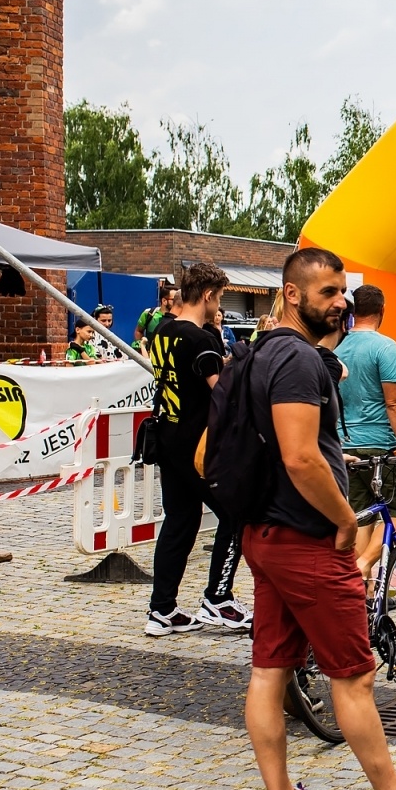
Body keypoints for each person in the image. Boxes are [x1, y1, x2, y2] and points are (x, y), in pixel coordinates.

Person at [241, 247, 396, 790]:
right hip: (307, 539)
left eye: (343, 292)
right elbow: (300, 456)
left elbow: (209, 455)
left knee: (269, 669)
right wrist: (343, 520)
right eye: (329, 292)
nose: (340, 302)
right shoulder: (296, 360)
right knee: (354, 676)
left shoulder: (253, 353)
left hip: (264, 534)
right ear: (293, 294)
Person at [145, 262, 248, 636]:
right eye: (219, 298)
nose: (218, 306)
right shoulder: (199, 339)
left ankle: (163, 609)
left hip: (168, 438)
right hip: (200, 446)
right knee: (237, 517)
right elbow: (221, 391)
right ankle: (217, 598)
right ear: (207, 295)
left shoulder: (162, 331)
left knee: (180, 522)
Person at [337, 285, 396, 581]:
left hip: (346, 445)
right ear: (381, 311)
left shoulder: (337, 346)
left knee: (362, 514)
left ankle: (365, 589)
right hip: (381, 446)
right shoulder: (385, 347)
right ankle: (363, 568)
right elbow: (394, 402)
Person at [136, 283, 177, 355]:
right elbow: (138, 331)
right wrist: (142, 348)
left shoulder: (180, 317)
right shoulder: (148, 313)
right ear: (164, 301)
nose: (178, 302)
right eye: (174, 300)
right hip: (150, 357)